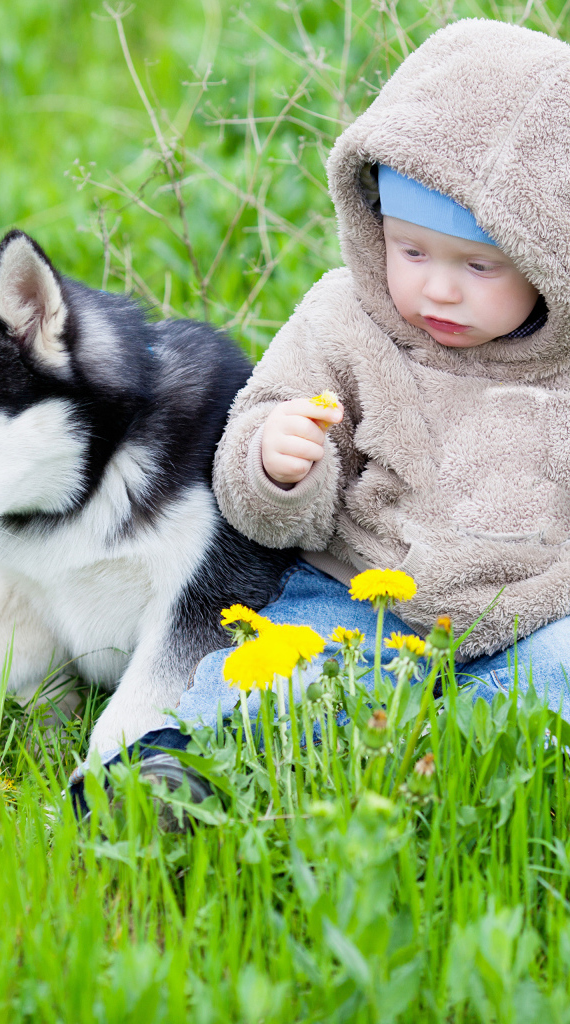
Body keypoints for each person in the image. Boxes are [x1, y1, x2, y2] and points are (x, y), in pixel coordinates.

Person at [71, 17, 570, 811]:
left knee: (558, 673)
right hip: (354, 592)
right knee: (276, 673)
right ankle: (184, 777)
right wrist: (274, 463)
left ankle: (439, 761)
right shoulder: (342, 320)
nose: (438, 289)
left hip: (525, 607)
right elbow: (260, 455)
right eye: (411, 252)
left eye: (478, 265)